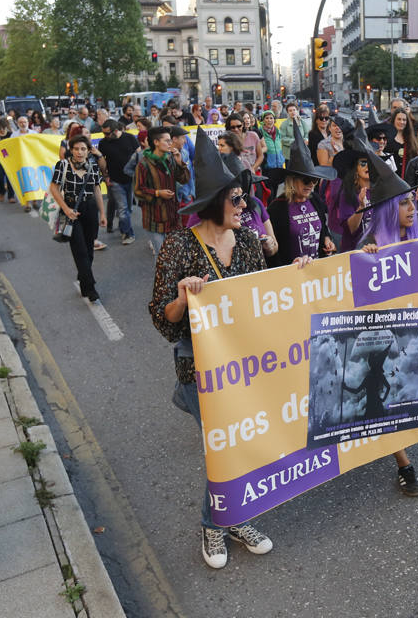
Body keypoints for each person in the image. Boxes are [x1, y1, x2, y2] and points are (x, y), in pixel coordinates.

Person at [149, 128, 289, 570]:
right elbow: (162, 317)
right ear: (215, 203)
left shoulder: (247, 242)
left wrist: (298, 275)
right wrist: (182, 297)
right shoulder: (178, 246)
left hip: (247, 366)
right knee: (222, 447)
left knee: (244, 443)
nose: (245, 207)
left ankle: (235, 517)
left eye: (244, 199)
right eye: (237, 200)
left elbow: (265, 299)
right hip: (200, 368)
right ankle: (215, 525)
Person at [356, 147, 418, 496]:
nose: (412, 209)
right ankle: (404, 465)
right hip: (382, 339)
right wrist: (362, 260)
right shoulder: (373, 244)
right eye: (404, 204)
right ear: (389, 210)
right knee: (386, 400)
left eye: (413, 202)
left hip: (413, 334)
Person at [49, 134, 108, 302]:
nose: (79, 152)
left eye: (83, 149)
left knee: (89, 249)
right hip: (71, 210)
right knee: (80, 250)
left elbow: (97, 190)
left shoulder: (93, 166)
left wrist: (102, 213)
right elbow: (54, 188)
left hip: (90, 209)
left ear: (89, 151)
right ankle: (90, 288)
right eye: (76, 149)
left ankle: (83, 279)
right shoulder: (63, 165)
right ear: (71, 150)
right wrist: (66, 209)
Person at [266, 131, 338, 267]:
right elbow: (273, 251)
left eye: (315, 179)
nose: (311, 184)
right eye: (306, 180)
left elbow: (323, 226)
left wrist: (327, 239)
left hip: (317, 270)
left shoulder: (315, 200)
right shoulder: (277, 208)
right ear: (292, 181)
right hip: (292, 277)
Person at [135, 126, 190, 257]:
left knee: (175, 256)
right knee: (162, 258)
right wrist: (157, 193)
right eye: (167, 141)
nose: (170, 144)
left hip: (172, 216)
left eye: (170, 140)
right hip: (155, 219)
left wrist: (179, 162)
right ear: (156, 142)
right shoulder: (144, 164)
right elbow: (138, 191)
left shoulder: (170, 158)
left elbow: (183, 180)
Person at [97, 120, 141, 245]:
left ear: (116, 131)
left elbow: (139, 154)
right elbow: (102, 162)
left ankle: (123, 227)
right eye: (103, 133)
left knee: (128, 208)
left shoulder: (129, 138)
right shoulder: (103, 143)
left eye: (107, 133)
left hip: (131, 179)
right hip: (115, 180)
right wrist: (105, 177)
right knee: (122, 209)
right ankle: (127, 234)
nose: (105, 136)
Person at [330, 127, 374, 251]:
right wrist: (361, 207)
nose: (368, 167)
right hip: (354, 252)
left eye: (370, 162)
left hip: (376, 251)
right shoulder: (348, 192)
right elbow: (351, 229)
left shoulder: (380, 189)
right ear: (356, 168)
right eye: (363, 163)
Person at [387, 107, 417, 176]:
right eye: (399, 119)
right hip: (391, 179)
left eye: (404, 120)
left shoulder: (411, 140)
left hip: (408, 180)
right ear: (394, 120)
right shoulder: (386, 139)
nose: (402, 122)